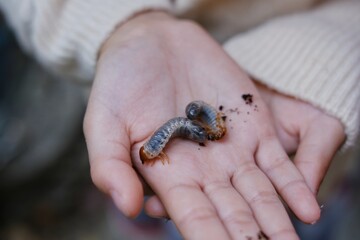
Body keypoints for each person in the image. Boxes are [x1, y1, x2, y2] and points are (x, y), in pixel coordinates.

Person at [0, 0, 358, 239]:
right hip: (159, 140)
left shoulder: (197, 125)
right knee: (147, 202)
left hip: (296, 117)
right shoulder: (177, 131)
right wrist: (127, 25)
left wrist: (333, 54)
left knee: (299, 216)